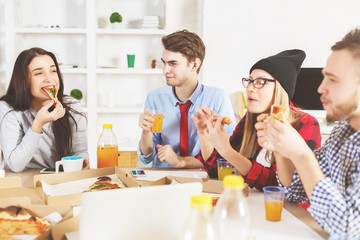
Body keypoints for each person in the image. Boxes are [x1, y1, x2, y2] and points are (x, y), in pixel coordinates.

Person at [255, 29, 360, 237]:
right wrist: (281, 147)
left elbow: (349, 229)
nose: (320, 88)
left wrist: (302, 154)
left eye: (333, 79)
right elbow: (295, 190)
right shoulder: (342, 132)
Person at [192, 49, 322, 191]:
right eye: (249, 81)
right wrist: (204, 133)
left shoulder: (307, 124)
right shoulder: (250, 119)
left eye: (260, 82)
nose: (250, 88)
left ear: (280, 88)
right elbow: (219, 172)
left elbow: (282, 185)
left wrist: (227, 150)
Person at [137, 30, 236, 168]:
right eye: (164, 63)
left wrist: (180, 161)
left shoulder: (217, 98)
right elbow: (147, 157)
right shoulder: (154, 98)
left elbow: (228, 154)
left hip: (204, 178)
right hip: (163, 178)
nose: (165, 70)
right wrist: (145, 132)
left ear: (194, 65)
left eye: (173, 63)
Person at [0, 47, 89, 172]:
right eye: (38, 73)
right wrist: (38, 124)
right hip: (21, 183)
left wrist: (83, 161)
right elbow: (15, 165)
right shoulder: (8, 109)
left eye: (53, 71)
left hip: (59, 180)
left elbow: (80, 152)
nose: (49, 78)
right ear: (24, 80)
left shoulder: (72, 106)